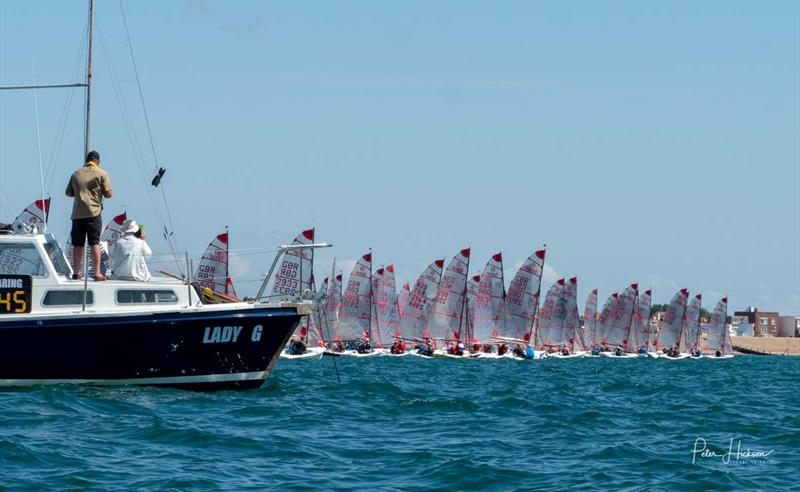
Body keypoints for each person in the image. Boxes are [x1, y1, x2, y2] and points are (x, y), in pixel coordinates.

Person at [65, 150, 112, 280]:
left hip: (77, 213)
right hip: (93, 212)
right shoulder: (102, 173)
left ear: (87, 160)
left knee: (78, 244)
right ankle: (97, 273)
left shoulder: (75, 174)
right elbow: (109, 194)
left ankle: (76, 272)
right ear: (97, 161)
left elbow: (68, 193)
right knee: (94, 243)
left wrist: (81, 192)